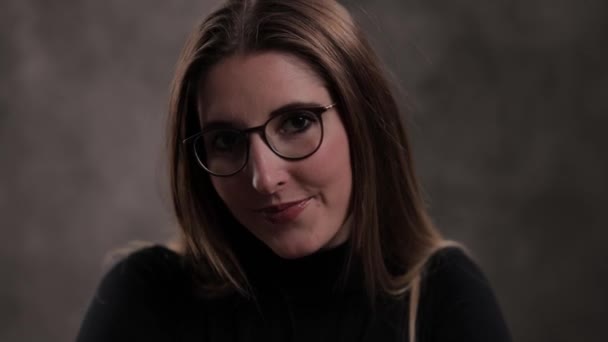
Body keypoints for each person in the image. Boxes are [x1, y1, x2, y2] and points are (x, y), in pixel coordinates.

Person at [77, 0, 511, 341]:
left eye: (297, 122)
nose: (264, 178)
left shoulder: (442, 298)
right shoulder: (148, 296)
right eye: (226, 141)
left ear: (363, 122)